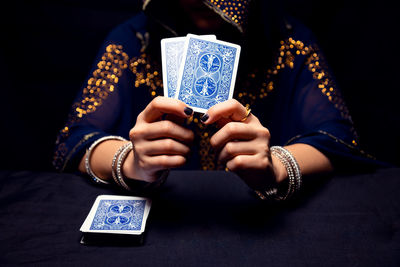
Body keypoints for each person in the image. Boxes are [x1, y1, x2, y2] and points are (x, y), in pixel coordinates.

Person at [53, 0, 380, 200]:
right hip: (165, 231)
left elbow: (339, 140)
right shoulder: (133, 41)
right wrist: (130, 162)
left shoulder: (291, 42)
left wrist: (276, 166)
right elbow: (73, 142)